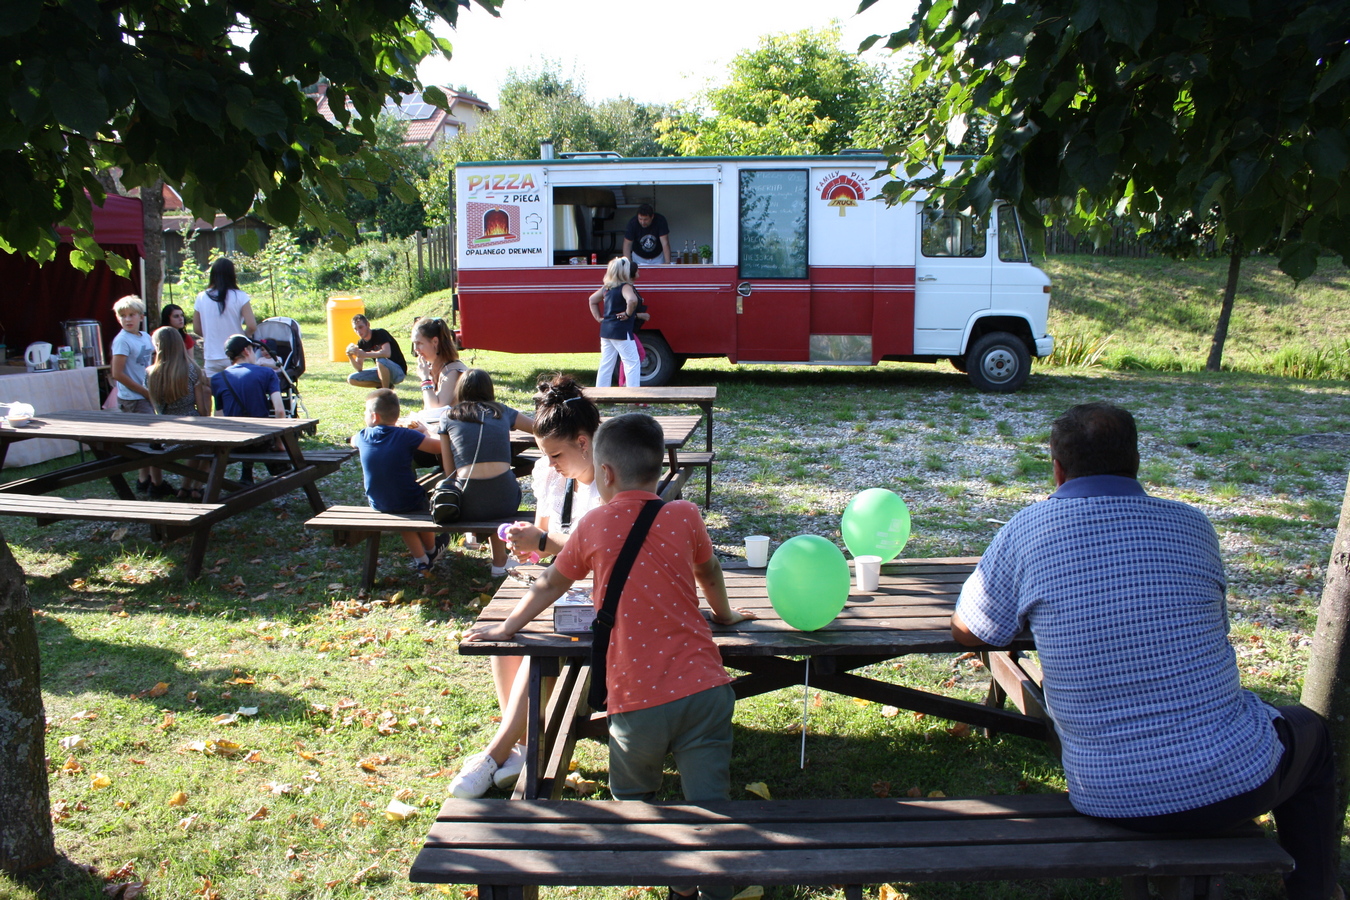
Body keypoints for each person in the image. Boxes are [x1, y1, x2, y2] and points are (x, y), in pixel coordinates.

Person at [951, 402, 1336, 900]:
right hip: (1234, 782)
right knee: (1311, 732)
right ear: (1135, 462)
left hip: (1108, 794)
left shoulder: (1027, 530)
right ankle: (1316, 890)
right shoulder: (1193, 526)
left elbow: (970, 630)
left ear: (1058, 469)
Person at [465, 413, 754, 900]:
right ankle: (715, 886)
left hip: (637, 700)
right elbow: (709, 574)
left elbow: (550, 584)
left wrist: (506, 627)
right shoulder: (685, 515)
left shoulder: (594, 524)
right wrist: (725, 616)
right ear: (658, 469)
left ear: (606, 473)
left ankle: (678, 881)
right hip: (706, 689)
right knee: (712, 807)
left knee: (636, 804)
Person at [449, 375, 605, 797]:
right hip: (563, 587)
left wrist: (542, 544)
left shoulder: (610, 479)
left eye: (556, 454)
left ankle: (497, 753)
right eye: (544, 454)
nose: (550, 464)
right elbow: (545, 538)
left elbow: (601, 551)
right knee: (507, 645)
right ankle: (522, 748)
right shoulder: (552, 474)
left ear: (583, 442)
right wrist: (527, 543)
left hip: (600, 596)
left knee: (532, 645)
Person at [436, 369, 534, 576]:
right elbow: (538, 428)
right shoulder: (502, 411)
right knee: (495, 489)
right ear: (489, 389)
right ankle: (499, 562)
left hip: (466, 506)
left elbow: (449, 471)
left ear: (460, 390)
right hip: (505, 501)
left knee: (473, 489)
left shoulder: (448, 417)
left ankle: (477, 541)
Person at [350, 389, 443, 574]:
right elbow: (439, 447)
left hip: (379, 502)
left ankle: (422, 561)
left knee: (402, 517)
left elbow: (352, 441)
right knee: (417, 506)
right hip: (409, 500)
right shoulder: (406, 435)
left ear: (374, 416)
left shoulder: (362, 435)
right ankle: (432, 549)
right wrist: (425, 431)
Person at [109, 295, 170, 497]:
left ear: (141, 316)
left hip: (146, 393)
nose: (128, 319)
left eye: (132, 315)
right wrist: (144, 392)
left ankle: (144, 480)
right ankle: (156, 484)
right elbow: (117, 373)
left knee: (147, 442)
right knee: (153, 441)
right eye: (123, 316)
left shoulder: (144, 336)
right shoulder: (122, 341)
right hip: (133, 398)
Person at [145, 326, 212, 500]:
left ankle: (179, 488)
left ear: (158, 346)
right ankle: (193, 487)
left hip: (164, 432)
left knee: (197, 443)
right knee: (210, 445)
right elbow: (202, 410)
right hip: (190, 427)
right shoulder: (192, 370)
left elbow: (155, 405)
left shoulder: (150, 373)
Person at [210, 334, 286, 486]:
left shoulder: (217, 378)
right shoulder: (267, 373)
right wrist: (279, 442)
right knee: (269, 437)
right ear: (246, 351)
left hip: (233, 443)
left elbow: (218, 415)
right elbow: (280, 411)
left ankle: (247, 475)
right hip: (261, 440)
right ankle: (283, 473)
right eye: (253, 350)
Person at [194, 258, 257, 377]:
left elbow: (196, 328)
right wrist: (243, 336)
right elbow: (252, 325)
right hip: (236, 354)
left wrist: (211, 335)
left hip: (212, 355)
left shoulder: (202, 297)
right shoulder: (240, 296)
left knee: (215, 387)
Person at [589, 257, 641, 388]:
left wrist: (598, 318)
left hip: (606, 330)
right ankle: (633, 394)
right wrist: (628, 313)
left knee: (606, 363)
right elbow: (632, 300)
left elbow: (592, 300)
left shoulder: (607, 287)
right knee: (632, 362)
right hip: (621, 330)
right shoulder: (625, 286)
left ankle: (601, 393)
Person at [346, 314, 407, 389]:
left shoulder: (380, 333)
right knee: (352, 379)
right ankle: (387, 385)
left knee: (380, 360)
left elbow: (387, 353)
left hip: (398, 372)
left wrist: (365, 354)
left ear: (368, 325)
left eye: (360, 327)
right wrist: (350, 356)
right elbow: (359, 368)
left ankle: (385, 392)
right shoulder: (361, 343)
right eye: (355, 329)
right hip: (382, 371)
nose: (358, 331)